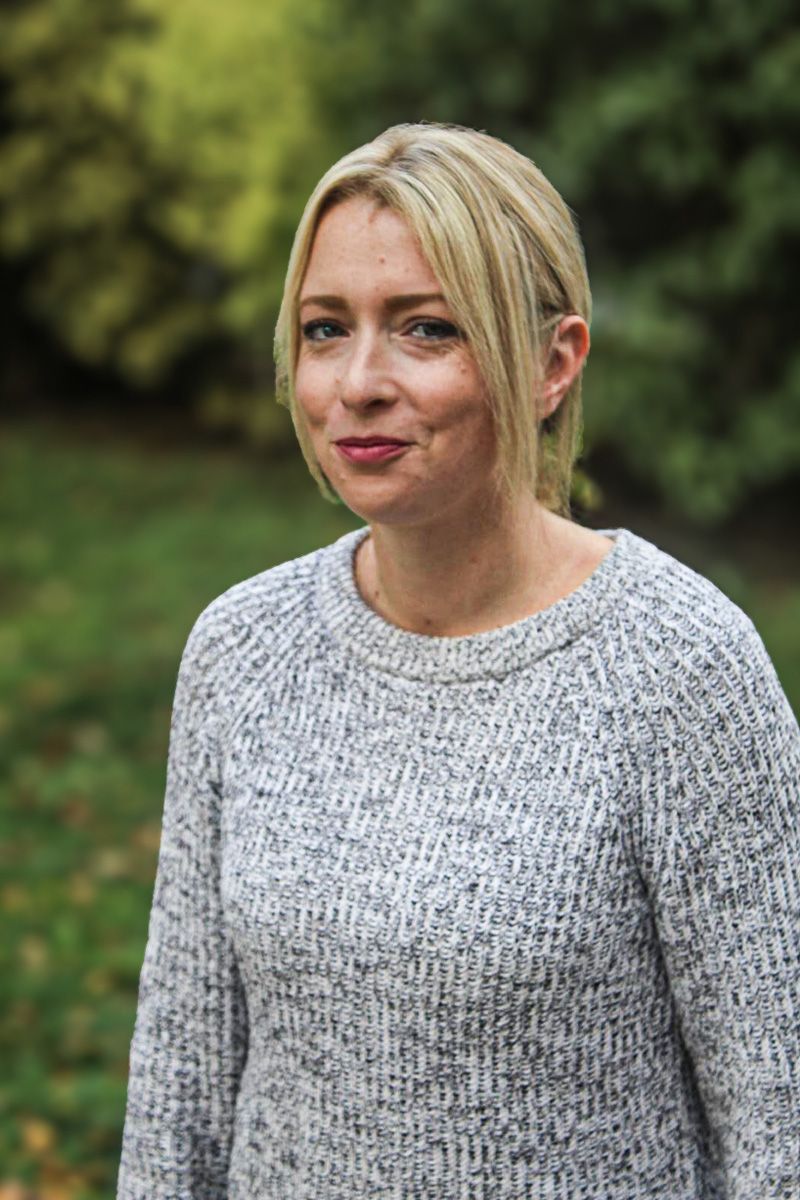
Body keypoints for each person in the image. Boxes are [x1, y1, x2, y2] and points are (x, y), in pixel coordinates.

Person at [116, 122, 800, 1199]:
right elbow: (180, 1084)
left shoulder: (678, 670)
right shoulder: (243, 651)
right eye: (325, 328)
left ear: (552, 364)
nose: (358, 382)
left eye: (425, 329)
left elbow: (780, 1118)